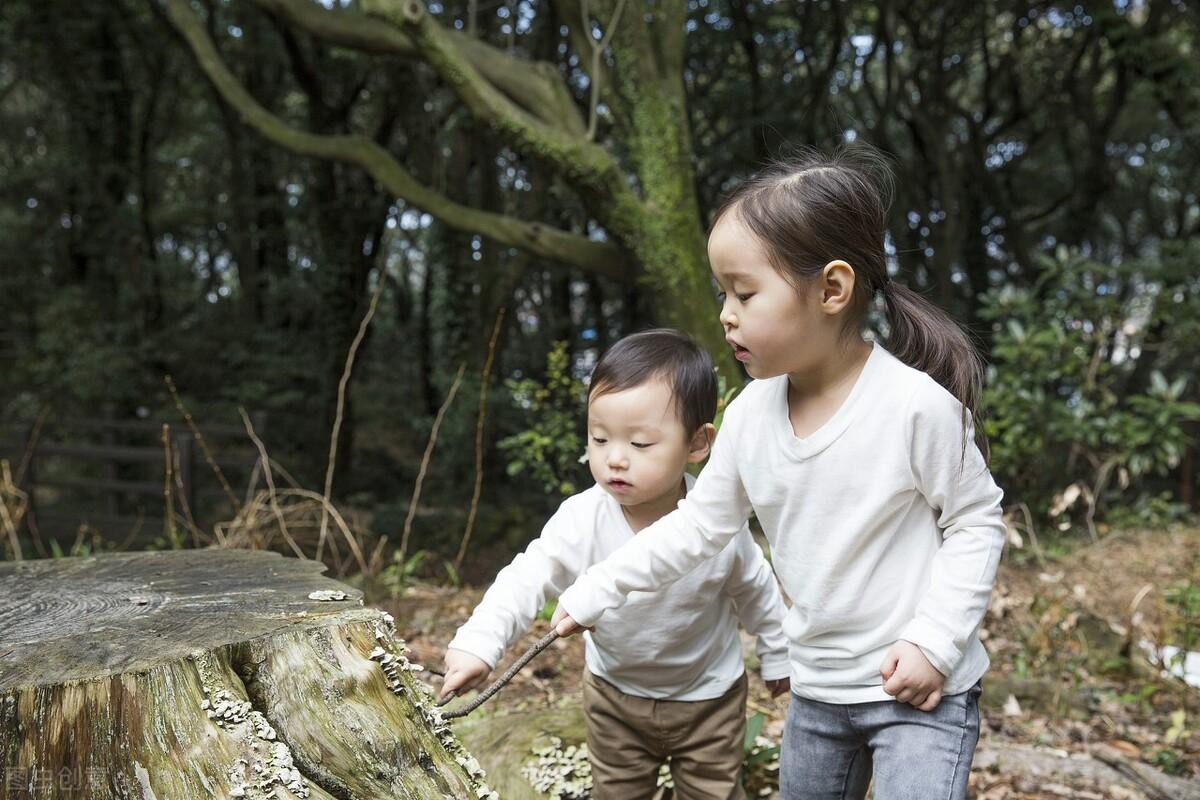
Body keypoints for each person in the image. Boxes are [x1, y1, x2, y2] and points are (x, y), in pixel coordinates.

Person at [552, 148, 1006, 800]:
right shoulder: (749, 417)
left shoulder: (913, 407)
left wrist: (934, 643)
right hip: (819, 694)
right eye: (723, 294)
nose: (726, 313)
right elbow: (698, 528)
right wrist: (598, 587)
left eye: (744, 293)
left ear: (831, 290)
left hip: (919, 691)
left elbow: (976, 522)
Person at [440, 329, 791, 800]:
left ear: (698, 443)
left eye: (641, 443)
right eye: (600, 438)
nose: (615, 459)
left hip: (708, 698)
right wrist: (480, 643)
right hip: (614, 698)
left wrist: (778, 655)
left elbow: (757, 590)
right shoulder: (582, 518)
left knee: (714, 792)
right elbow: (527, 576)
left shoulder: (715, 523)